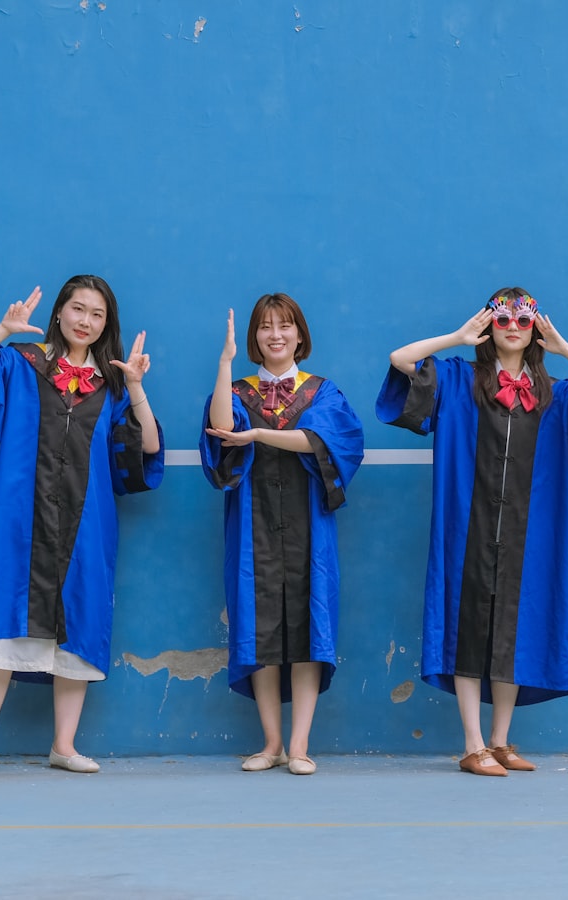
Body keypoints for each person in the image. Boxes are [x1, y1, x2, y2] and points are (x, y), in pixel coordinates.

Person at [378, 288, 568, 776]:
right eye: (503, 317)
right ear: (490, 326)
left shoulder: (555, 394)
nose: (513, 325)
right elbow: (400, 359)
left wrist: (565, 348)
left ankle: (501, 740)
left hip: (528, 532)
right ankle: (472, 745)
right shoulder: (457, 379)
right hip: (468, 528)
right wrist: (455, 337)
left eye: (523, 319)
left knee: (516, 629)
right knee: (469, 627)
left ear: (536, 328)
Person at [0, 275, 165, 778]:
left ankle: (63, 745)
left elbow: (146, 448)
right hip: (18, 519)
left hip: (87, 525)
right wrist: (3, 330)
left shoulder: (110, 384)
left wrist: (135, 387)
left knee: (77, 627)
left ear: (108, 325)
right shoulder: (21, 364)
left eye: (98, 314)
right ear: (60, 312)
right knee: (1, 623)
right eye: (78, 309)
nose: (86, 321)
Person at [200, 293, 364, 776]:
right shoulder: (238, 389)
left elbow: (318, 441)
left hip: (309, 526)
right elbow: (222, 428)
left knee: (310, 627)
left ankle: (299, 745)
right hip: (252, 530)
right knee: (260, 629)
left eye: (285, 325)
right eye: (265, 327)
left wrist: (259, 436)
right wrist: (225, 363)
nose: (276, 334)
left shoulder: (323, 392)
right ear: (253, 337)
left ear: (299, 334)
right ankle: (270, 743)